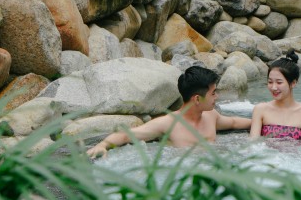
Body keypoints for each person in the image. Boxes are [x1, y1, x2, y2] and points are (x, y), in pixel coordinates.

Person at [87, 66, 252, 158]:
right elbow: (126, 135)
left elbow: (235, 122)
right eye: (213, 93)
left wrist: (264, 120)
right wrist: (102, 145)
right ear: (197, 99)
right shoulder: (168, 124)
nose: (217, 97)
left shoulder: (211, 116)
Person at [249, 50, 301, 142]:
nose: (273, 87)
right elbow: (253, 143)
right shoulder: (260, 109)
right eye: (270, 82)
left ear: (293, 83)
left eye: (279, 82)